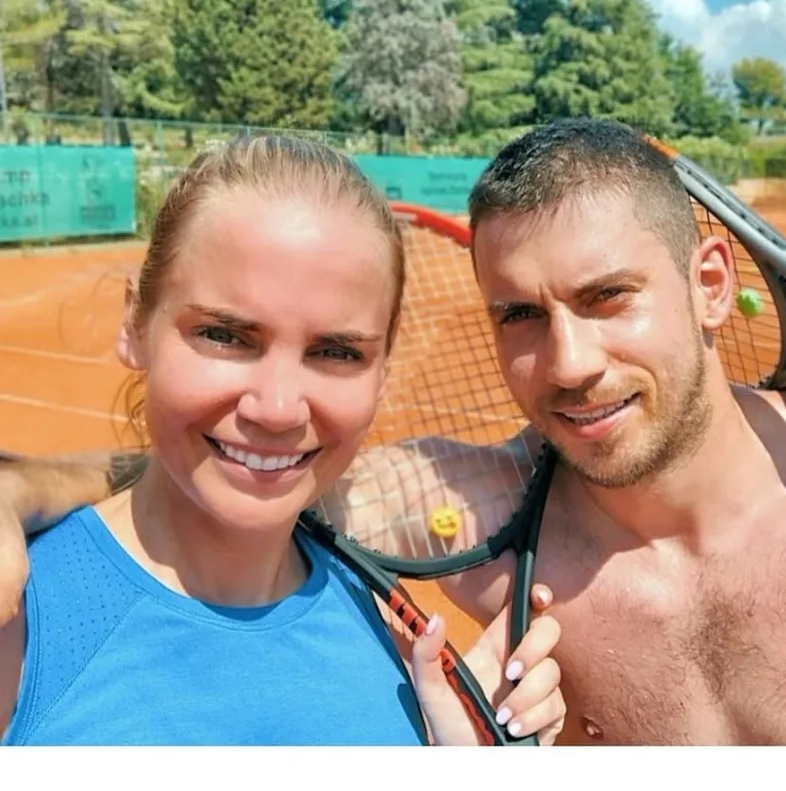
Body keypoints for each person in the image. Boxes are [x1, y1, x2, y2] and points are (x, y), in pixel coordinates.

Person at [3, 117, 786, 745]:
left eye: (607, 294)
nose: (569, 359)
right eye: (519, 314)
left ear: (709, 282)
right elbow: (243, 460)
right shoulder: (475, 508)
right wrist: (20, 480)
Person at [0, 134, 566, 746]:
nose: (276, 409)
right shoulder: (19, 616)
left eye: (336, 351)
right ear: (135, 324)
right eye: (224, 335)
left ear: (383, 367)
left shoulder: (381, 624)